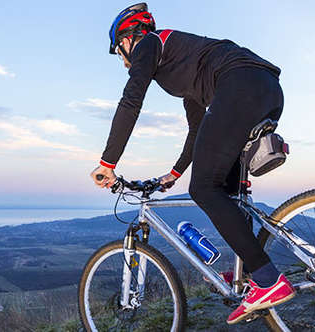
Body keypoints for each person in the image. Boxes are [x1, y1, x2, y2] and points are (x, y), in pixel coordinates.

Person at [88, 3, 293, 324]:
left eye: (119, 51)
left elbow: (131, 100)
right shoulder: (187, 64)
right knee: (225, 189)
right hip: (265, 88)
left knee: (203, 189)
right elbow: (198, 130)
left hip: (239, 84)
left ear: (127, 38)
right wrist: (173, 174)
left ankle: (268, 280)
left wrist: (107, 162)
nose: (124, 59)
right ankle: (253, 275)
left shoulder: (149, 43)